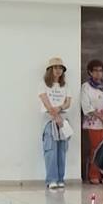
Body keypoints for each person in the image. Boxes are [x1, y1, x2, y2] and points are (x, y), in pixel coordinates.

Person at [81, 59, 103, 185]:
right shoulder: (86, 87)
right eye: (95, 70)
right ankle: (94, 175)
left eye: (100, 70)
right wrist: (101, 117)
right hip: (95, 123)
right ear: (90, 72)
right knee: (96, 148)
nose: (98, 73)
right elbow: (86, 106)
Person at [39, 57, 72, 190]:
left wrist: (60, 109)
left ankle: (60, 179)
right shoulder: (43, 84)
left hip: (63, 120)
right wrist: (55, 115)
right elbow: (46, 102)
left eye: (60, 68)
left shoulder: (65, 86)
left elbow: (68, 103)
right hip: (50, 120)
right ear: (50, 69)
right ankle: (51, 179)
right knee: (51, 150)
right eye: (55, 68)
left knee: (62, 151)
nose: (58, 70)